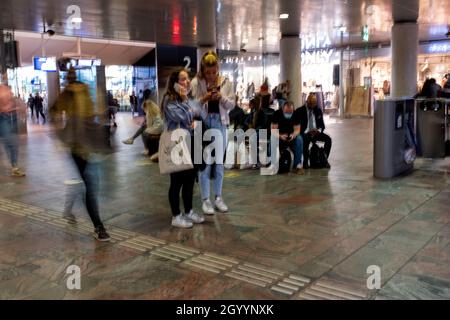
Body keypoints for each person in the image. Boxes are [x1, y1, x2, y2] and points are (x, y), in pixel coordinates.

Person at [49, 67, 111, 241]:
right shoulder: (72, 92)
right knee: (89, 184)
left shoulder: (74, 91)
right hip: (79, 146)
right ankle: (98, 226)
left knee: (86, 183)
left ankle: (70, 210)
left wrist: (62, 131)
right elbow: (56, 112)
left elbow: (54, 112)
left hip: (85, 145)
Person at [191, 51, 235, 215]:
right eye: (207, 72)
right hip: (203, 124)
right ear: (202, 69)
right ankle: (205, 200)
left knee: (219, 162)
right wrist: (205, 98)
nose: (211, 75)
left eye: (214, 71)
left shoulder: (226, 82)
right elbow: (192, 106)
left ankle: (218, 197)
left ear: (218, 68)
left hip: (221, 124)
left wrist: (220, 98)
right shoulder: (196, 82)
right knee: (205, 163)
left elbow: (231, 105)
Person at [162, 68, 205, 228]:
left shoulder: (185, 99)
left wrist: (190, 108)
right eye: (182, 79)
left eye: (187, 79)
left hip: (190, 142)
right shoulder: (169, 100)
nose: (186, 82)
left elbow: (199, 113)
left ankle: (188, 211)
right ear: (174, 82)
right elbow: (184, 116)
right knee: (176, 182)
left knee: (189, 180)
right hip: (176, 145)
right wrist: (188, 105)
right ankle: (176, 216)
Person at [296, 93, 332, 169]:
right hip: (305, 133)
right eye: (310, 104)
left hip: (316, 133)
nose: (312, 106)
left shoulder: (318, 110)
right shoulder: (300, 111)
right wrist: (307, 131)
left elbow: (322, 125)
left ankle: (324, 160)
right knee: (305, 139)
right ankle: (305, 162)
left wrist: (318, 131)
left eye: (314, 104)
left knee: (328, 139)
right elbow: (298, 126)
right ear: (307, 102)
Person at [271, 101, 304, 175]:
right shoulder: (277, 114)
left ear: (293, 110)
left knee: (299, 139)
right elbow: (273, 130)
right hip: (279, 136)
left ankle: (297, 165)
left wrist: (294, 135)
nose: (288, 114)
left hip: (291, 136)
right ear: (282, 109)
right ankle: (273, 164)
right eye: (286, 112)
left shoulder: (296, 114)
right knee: (272, 138)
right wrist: (280, 136)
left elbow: (297, 129)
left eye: (290, 112)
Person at [0, 84, 26, 177]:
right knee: (11, 142)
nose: (10, 93)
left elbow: (19, 105)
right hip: (3, 118)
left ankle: (14, 167)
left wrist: (17, 108)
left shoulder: (7, 90)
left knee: (12, 143)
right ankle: (14, 167)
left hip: (10, 118)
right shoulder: (2, 90)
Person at [141, 89, 163, 160]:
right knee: (144, 129)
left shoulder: (149, 113)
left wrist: (146, 126)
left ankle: (147, 149)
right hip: (161, 128)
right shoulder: (156, 110)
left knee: (144, 133)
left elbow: (149, 125)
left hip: (157, 129)